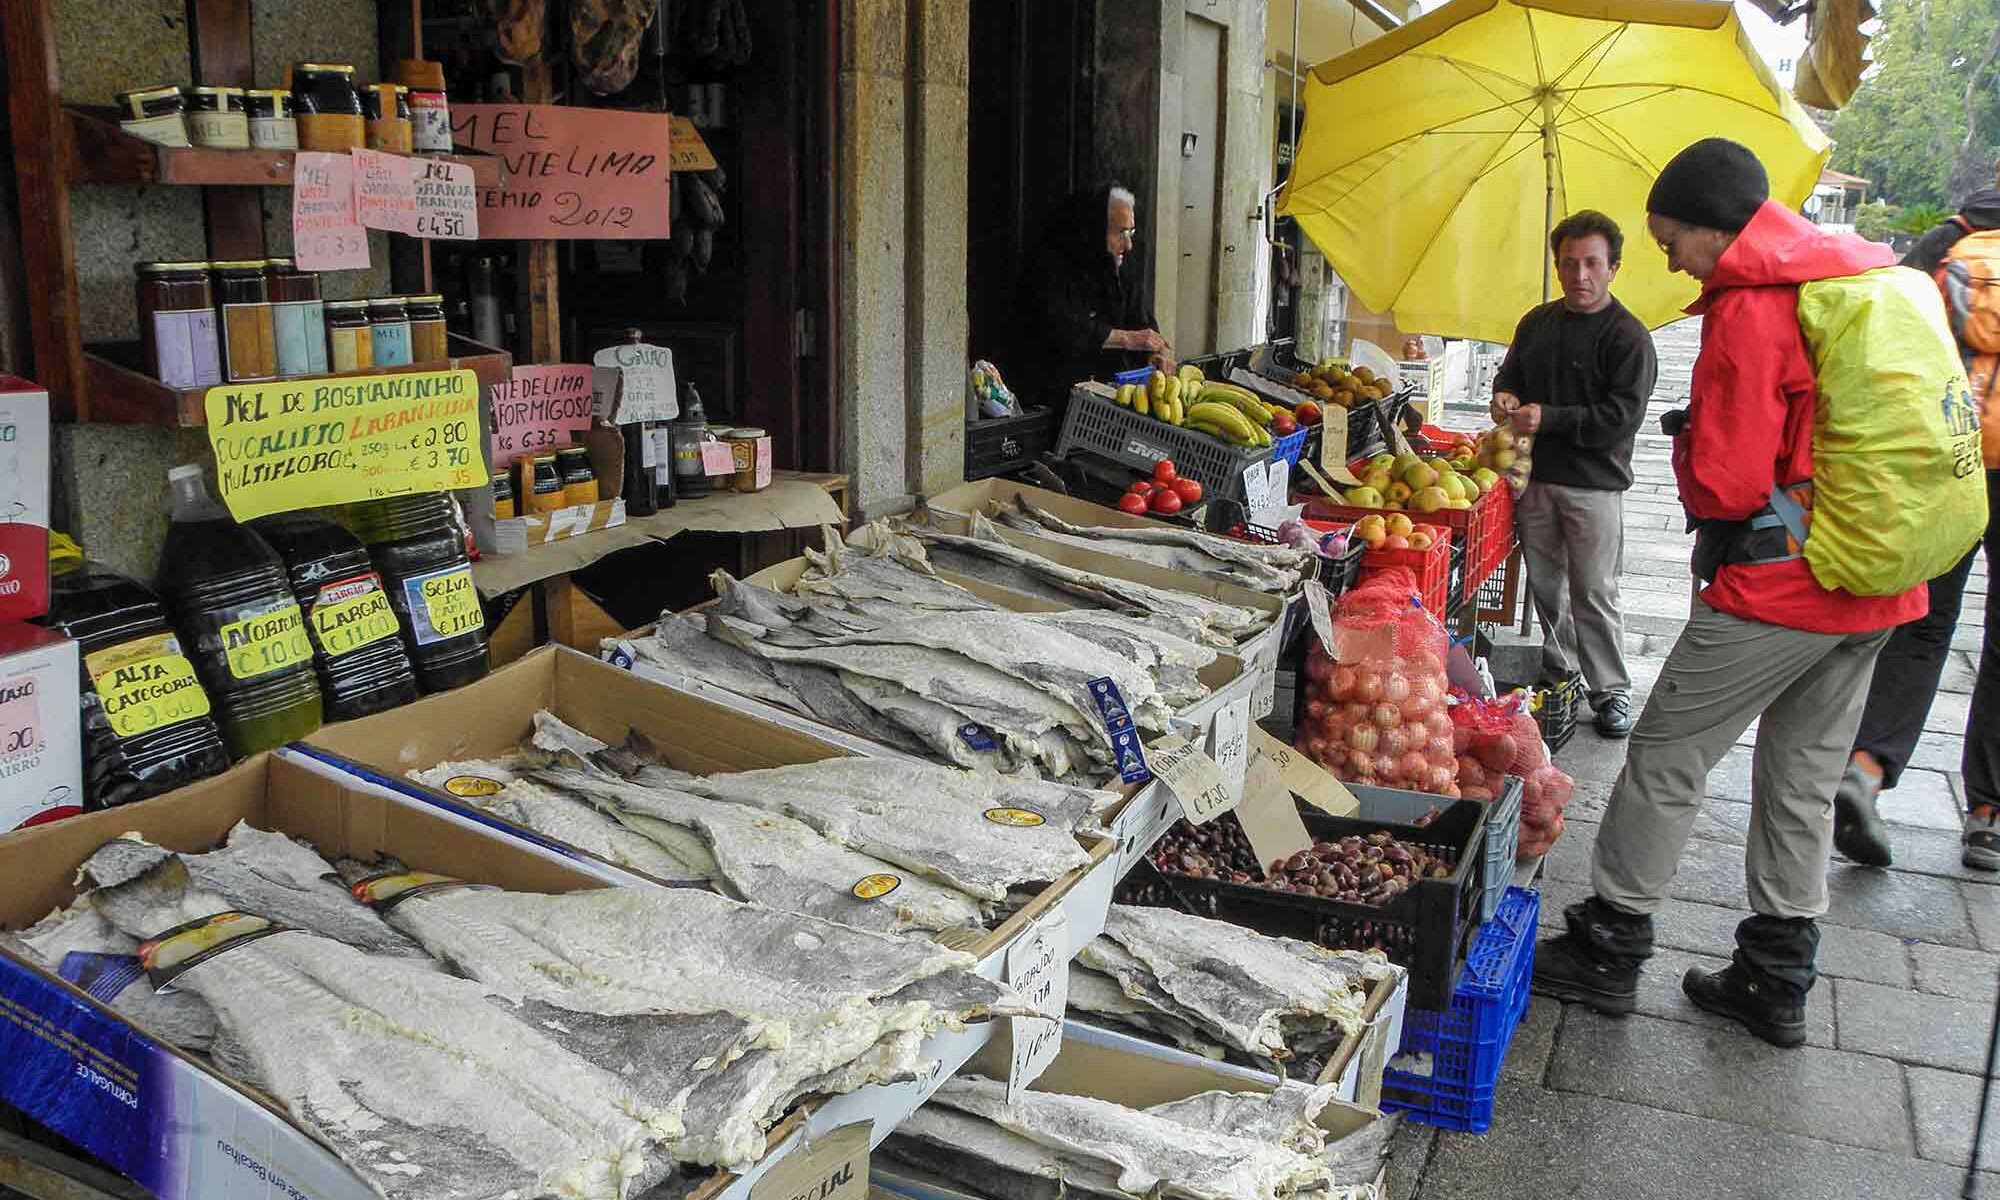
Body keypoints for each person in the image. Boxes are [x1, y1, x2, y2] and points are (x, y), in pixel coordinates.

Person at [1530, 138, 1928, 1049]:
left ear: (1715, 228)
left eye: (1672, 239)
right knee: (1803, 778)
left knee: (1667, 753)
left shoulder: (1754, 307)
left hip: (1783, 586)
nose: (1669, 258)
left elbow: (1725, 483)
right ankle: (1776, 978)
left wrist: (1689, 435)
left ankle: (1609, 944)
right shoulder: (1856, 277)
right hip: (1877, 580)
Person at [1829, 168, 2000, 871]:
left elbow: (1889, 340)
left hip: (1951, 456)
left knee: (1925, 622)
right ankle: (1988, 813)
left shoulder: (1947, 238)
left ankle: (1867, 766)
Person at [1489, 210, 1657, 738]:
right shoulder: (1536, 324)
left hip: (1595, 486)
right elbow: (1509, 375)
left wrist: (1551, 417)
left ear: (1613, 269)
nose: (1579, 274)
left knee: (1595, 590)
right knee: (1545, 585)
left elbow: (1621, 418)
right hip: (1533, 481)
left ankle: (1611, 690)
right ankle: (1563, 674)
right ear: (1556, 265)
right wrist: (1505, 398)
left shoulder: (1628, 337)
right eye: (1568, 263)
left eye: (1591, 263)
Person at [1010, 184, 1173, 408]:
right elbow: (1061, 327)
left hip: (1113, 400)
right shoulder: (1051, 266)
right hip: (1059, 399)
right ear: (1096, 229)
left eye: (1131, 232)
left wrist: (1152, 356)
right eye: (1120, 232)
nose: (1128, 244)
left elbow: (1141, 323)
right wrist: (1126, 338)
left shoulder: (1121, 268)